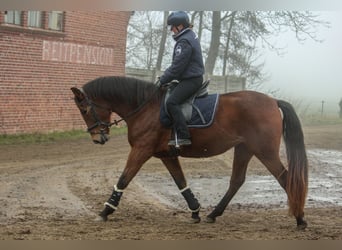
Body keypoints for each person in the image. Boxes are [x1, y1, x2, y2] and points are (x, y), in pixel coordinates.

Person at [159, 11, 205, 146]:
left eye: (172, 26)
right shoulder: (190, 36)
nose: (171, 30)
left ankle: (184, 135)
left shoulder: (184, 41)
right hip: (190, 78)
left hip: (191, 80)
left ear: (180, 25)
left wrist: (162, 80)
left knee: (171, 102)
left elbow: (177, 67)